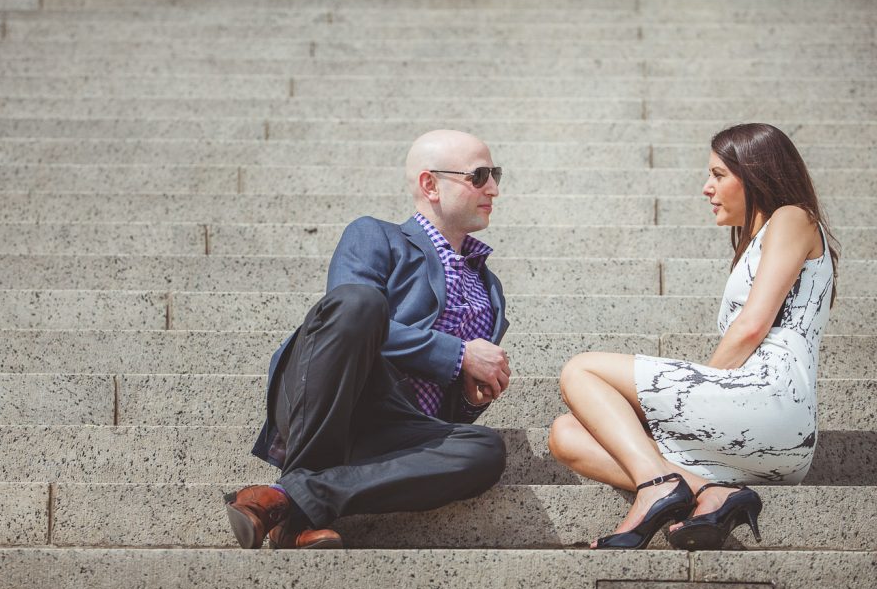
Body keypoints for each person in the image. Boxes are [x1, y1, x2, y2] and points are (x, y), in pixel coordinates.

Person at [549, 123, 839, 550]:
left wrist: (691, 391)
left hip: (771, 401)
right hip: (760, 434)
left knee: (580, 371)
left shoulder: (793, 217)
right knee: (567, 433)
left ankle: (656, 488)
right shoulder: (760, 238)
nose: (707, 188)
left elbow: (752, 326)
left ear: (757, 174)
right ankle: (710, 492)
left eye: (719, 175)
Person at [226, 129, 511, 549]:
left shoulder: (489, 288)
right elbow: (348, 325)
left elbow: (450, 402)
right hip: (336, 404)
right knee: (359, 302)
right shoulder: (375, 236)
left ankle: (290, 500)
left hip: (399, 431)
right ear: (430, 184)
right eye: (480, 175)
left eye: (496, 175)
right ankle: (301, 498)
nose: (494, 189)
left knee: (487, 451)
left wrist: (471, 398)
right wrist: (458, 354)